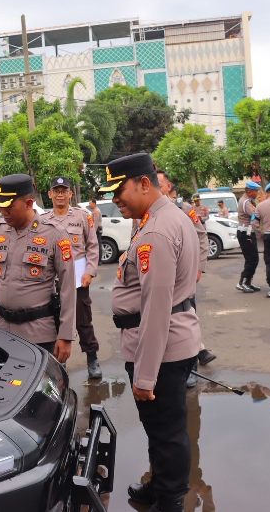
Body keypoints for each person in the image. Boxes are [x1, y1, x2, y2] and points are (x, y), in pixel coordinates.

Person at [102, 153, 200, 512]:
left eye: (120, 190)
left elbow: (157, 307)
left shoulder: (156, 229)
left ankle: (170, 499)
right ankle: (160, 485)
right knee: (161, 429)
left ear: (144, 183)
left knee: (167, 432)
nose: (115, 199)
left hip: (160, 349)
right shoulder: (162, 217)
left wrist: (145, 374)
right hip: (169, 343)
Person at [0, 174, 76, 362]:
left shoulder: (55, 234)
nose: (3, 212)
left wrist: (65, 335)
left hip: (39, 333)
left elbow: (68, 289)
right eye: (1, 207)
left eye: (9, 207)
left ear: (29, 203)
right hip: (2, 331)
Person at [153, 170, 214, 374]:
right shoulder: (145, 211)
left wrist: (199, 268)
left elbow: (202, 237)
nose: (155, 189)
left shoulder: (184, 209)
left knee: (186, 316)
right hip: (158, 276)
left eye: (159, 185)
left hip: (182, 276)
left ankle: (192, 368)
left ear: (168, 187)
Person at [43, 177, 102, 378]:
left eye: (64, 190)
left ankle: (92, 357)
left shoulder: (82, 216)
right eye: (56, 190)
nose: (60, 194)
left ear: (70, 193)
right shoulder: (43, 219)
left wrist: (89, 271)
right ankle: (60, 363)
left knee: (83, 322)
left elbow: (92, 246)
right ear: (50, 194)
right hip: (53, 282)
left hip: (78, 280)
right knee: (56, 323)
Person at [235, 181, 262, 293]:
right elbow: (256, 214)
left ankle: (248, 282)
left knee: (252, 258)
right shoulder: (245, 202)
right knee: (252, 259)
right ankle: (242, 282)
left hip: (247, 232)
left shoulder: (249, 200)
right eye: (255, 191)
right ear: (249, 191)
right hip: (246, 233)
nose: (257, 193)